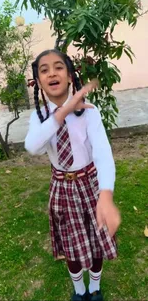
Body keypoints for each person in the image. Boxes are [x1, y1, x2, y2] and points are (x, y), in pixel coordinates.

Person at [25, 49, 121, 301]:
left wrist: (106, 194)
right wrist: (64, 111)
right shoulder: (39, 117)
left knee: (97, 238)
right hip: (62, 187)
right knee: (71, 246)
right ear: (38, 81)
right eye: (44, 70)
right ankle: (79, 292)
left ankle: (94, 288)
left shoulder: (89, 111)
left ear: (69, 76)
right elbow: (32, 146)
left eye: (58, 67)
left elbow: (102, 153)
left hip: (90, 183)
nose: (52, 73)